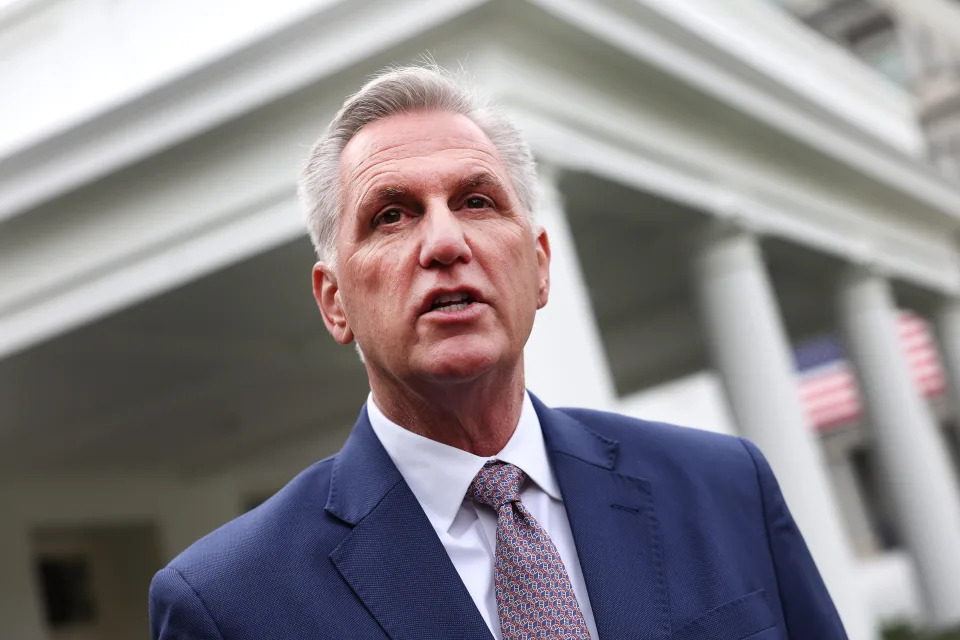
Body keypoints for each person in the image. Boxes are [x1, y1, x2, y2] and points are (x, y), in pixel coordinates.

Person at [149, 64, 848, 639]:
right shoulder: (228, 605)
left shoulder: (725, 488)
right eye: (391, 215)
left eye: (477, 201)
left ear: (540, 267)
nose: (446, 243)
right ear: (335, 302)